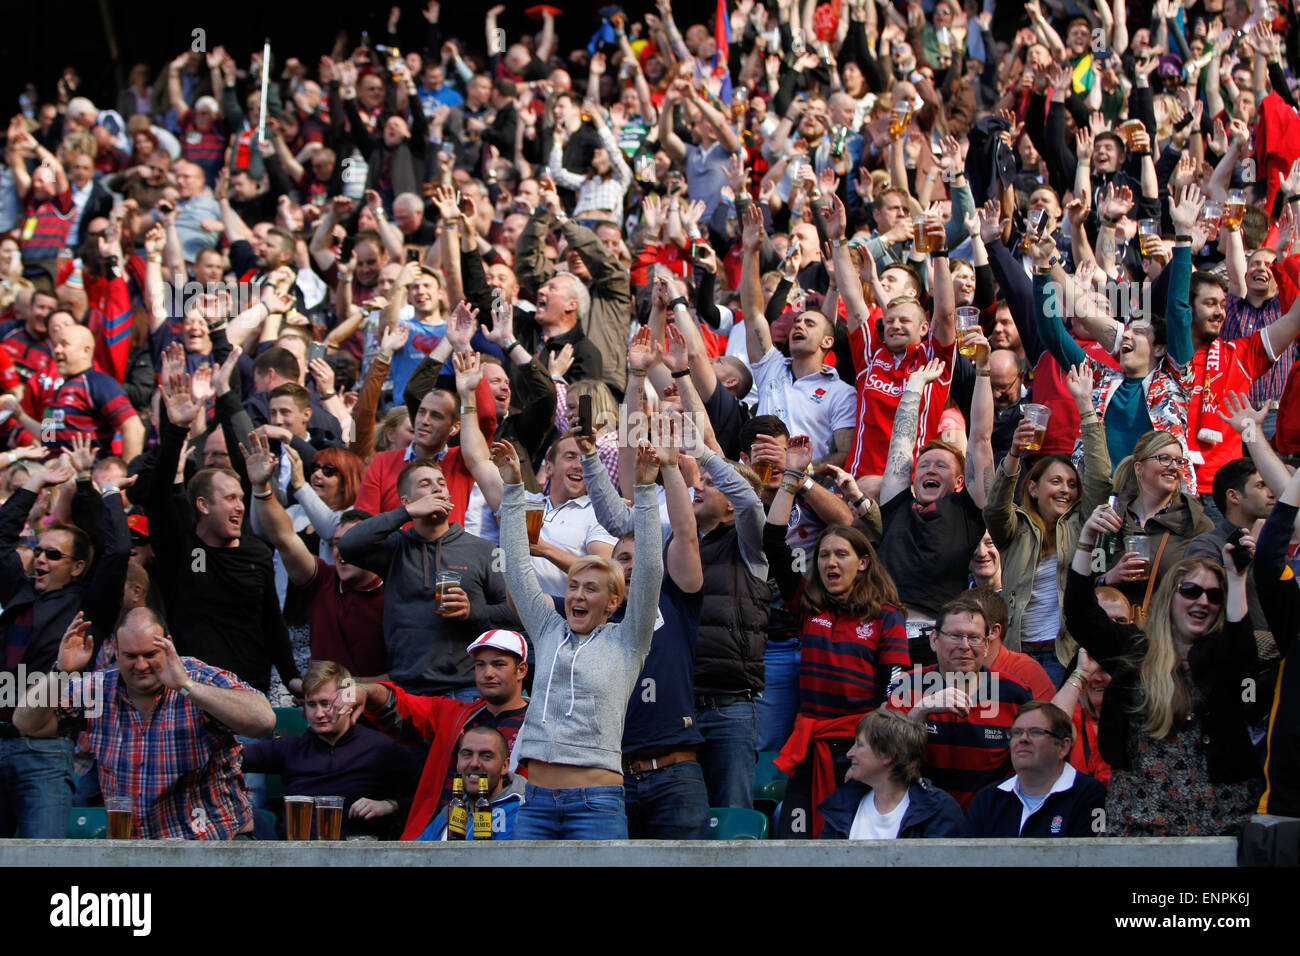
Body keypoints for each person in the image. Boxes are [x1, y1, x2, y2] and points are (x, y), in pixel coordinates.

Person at [492, 437, 663, 839]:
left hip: (596, 805)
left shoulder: (628, 640)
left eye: (590, 588)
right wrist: (515, 489)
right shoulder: (549, 629)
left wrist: (644, 491)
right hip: (533, 803)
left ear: (613, 601)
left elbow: (651, 570)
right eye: (573, 586)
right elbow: (517, 570)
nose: (577, 596)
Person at [1066, 502, 1261, 835]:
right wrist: (1087, 539)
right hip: (1139, 812)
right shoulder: (1135, 648)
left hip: (1215, 814)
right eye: (1191, 591)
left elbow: (1243, 654)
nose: (1202, 601)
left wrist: (1236, 577)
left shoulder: (1224, 654)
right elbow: (1080, 615)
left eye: (1214, 596)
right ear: (1171, 596)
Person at [16, 606, 275, 839]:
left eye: (150, 654)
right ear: (115, 650)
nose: (141, 665)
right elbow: (27, 723)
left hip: (216, 844)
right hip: (139, 850)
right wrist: (61, 672)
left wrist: (186, 686)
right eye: (130, 656)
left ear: (168, 644)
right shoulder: (98, 689)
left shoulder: (197, 676)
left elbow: (263, 721)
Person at [0, 450, 128, 838]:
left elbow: (117, 550)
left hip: (46, 752)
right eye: (38, 550)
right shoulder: (19, 592)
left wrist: (106, 492)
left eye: (52, 555)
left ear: (76, 568)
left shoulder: (89, 606)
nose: (40, 559)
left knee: (44, 861)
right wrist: (32, 487)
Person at [338, 457, 518, 699]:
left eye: (441, 483)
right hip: (408, 689)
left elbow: (514, 613)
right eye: (425, 484)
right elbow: (349, 544)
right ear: (406, 501)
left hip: (466, 687)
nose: (437, 489)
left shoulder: (484, 550)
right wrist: (406, 513)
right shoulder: (394, 548)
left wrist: (472, 612)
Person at [772, 524, 910, 839]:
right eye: (823, 555)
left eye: (840, 554)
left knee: (852, 839)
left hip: (860, 747)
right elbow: (774, 543)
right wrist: (794, 481)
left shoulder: (886, 616)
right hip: (810, 746)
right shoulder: (808, 606)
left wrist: (875, 742)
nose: (830, 562)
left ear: (862, 562)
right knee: (794, 840)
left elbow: (895, 683)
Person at [983, 363, 1112, 684]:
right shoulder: (1016, 528)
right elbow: (995, 508)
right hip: (1015, 653)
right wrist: (1013, 453)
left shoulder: (1080, 524)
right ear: (1033, 487)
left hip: (1061, 654)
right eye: (1056, 481)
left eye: (1071, 484)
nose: (1066, 490)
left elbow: (1100, 479)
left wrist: (1085, 407)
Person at [348, 628, 531, 840]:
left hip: (510, 839)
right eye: (480, 665)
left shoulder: (544, 724)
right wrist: (366, 691)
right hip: (441, 838)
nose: (487, 673)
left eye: (498, 664)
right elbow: (403, 707)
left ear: (521, 670)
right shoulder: (455, 715)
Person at [886, 593, 1033, 810]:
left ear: (986, 645)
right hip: (922, 817)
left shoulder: (1015, 692)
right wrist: (920, 712)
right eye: (955, 636)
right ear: (934, 640)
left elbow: (1037, 757)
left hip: (991, 820)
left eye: (974, 637)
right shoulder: (907, 687)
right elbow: (886, 759)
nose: (964, 646)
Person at [241, 661, 418, 839]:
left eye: (326, 703)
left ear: (349, 702)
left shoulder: (381, 748)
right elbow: (232, 759)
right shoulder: (291, 748)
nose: (319, 714)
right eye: (312, 704)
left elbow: (425, 797)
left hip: (357, 855)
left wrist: (390, 805)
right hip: (292, 856)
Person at [961, 701, 1107, 837]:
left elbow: (1094, 857)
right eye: (1017, 732)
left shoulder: (1092, 796)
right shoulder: (988, 799)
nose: (1023, 739)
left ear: (1063, 746)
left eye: (1035, 732)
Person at [817, 710, 964, 840]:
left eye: (859, 745)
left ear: (888, 755)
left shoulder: (939, 810)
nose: (849, 754)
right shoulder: (842, 805)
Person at [412, 726, 527, 841]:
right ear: (458, 762)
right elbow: (415, 855)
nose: (474, 764)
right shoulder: (451, 811)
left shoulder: (520, 811)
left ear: (504, 766)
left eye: (486, 756)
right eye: (467, 754)